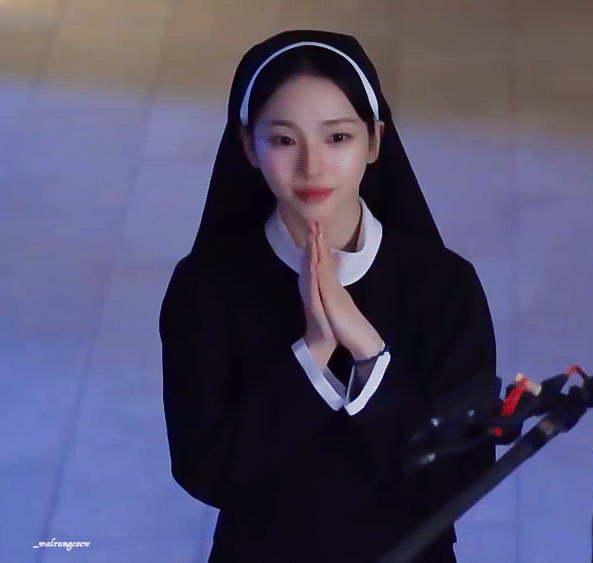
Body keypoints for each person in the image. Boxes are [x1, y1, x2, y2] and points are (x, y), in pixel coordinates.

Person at [159, 29, 499, 563]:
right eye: (284, 140)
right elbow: (205, 469)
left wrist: (366, 349)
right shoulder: (204, 288)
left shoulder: (445, 285)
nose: (311, 167)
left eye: (337, 137)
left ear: (375, 140)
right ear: (248, 146)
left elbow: (463, 473)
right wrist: (313, 353)